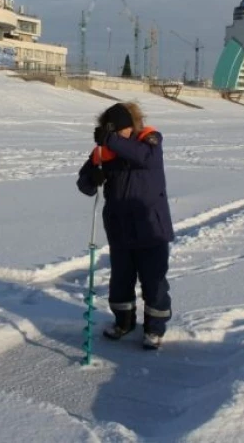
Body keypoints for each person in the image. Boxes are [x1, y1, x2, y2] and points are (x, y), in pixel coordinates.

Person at [76, 102, 175, 350]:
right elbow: (85, 185)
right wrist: (93, 178)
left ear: (131, 127)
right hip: (120, 229)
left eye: (121, 131)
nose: (119, 136)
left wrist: (112, 141)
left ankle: (154, 329)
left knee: (154, 282)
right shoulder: (105, 151)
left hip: (151, 227)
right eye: (113, 132)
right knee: (120, 281)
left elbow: (145, 158)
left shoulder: (149, 141)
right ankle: (124, 322)